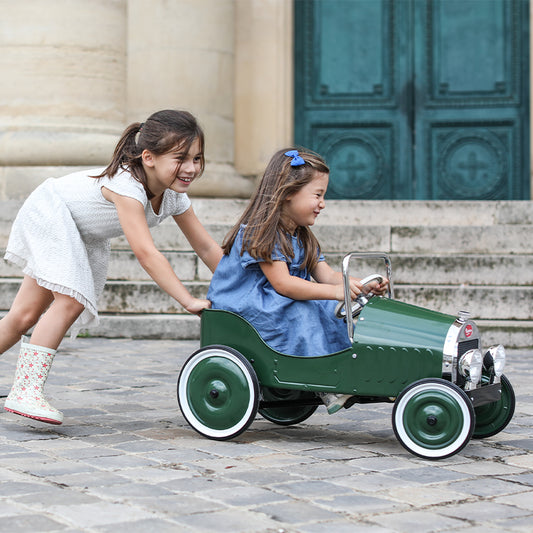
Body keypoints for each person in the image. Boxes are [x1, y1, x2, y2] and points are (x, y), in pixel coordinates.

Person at [1, 109, 223, 425]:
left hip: (80, 232)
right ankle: (25, 391)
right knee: (71, 299)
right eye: (180, 158)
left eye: (197, 159)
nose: (190, 168)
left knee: (23, 315)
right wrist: (187, 300)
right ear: (149, 157)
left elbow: (206, 247)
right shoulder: (127, 186)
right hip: (52, 213)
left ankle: (23, 387)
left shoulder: (172, 196)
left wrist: (237, 283)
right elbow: (146, 253)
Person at [207, 147, 388, 414]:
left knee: (332, 310)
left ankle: (341, 368)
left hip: (275, 302)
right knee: (305, 309)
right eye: (318, 195)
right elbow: (283, 284)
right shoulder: (261, 232)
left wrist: (358, 285)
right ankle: (328, 382)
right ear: (289, 192)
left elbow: (326, 276)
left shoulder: (302, 236)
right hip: (245, 308)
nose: (322, 203)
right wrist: (335, 292)